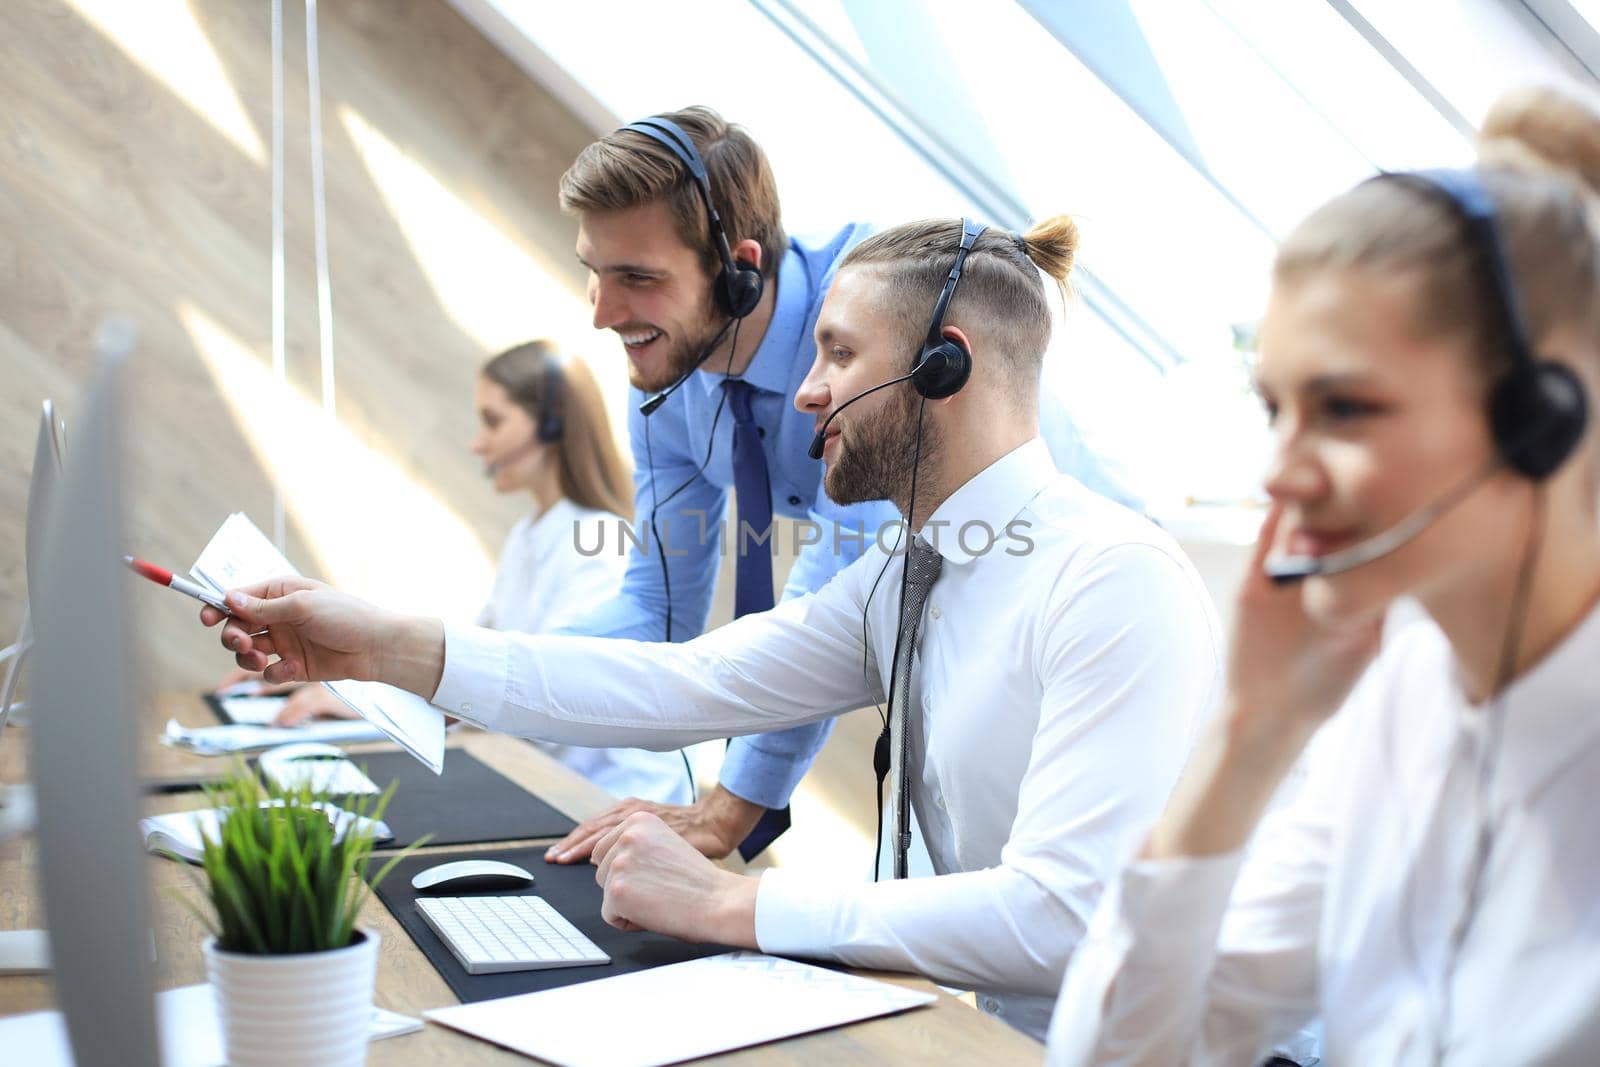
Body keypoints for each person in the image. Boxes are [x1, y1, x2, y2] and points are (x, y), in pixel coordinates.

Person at [202, 215, 1219, 1039]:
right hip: (993, 1032)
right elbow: (678, 683)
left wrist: (732, 904)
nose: (808, 390)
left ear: (941, 368)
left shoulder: (1110, 580)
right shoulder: (902, 573)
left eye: (837, 351)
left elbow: (1060, 917)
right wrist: (382, 646)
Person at [1048, 85, 1600, 1066]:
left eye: (1343, 407)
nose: (1277, 471)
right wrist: (1248, 732)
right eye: (1276, 408)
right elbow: (1118, 1053)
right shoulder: (1403, 698)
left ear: (1542, 415)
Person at [542, 105, 1145, 865]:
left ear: (738, 270)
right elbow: (656, 606)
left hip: (1072, 618)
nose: (602, 313)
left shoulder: (879, 317)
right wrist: (454, 680)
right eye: (594, 273)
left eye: (637, 278)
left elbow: (826, 598)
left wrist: (731, 808)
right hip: (947, 638)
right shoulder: (670, 380)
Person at [223, 342, 692, 803]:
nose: (477, 442)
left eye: (493, 421)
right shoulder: (532, 533)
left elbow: (548, 694)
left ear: (552, 424)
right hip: (549, 781)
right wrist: (349, 688)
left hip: (609, 799)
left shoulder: (598, 541)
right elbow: (473, 659)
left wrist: (365, 703)